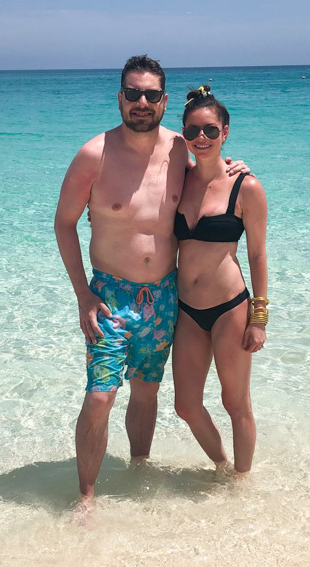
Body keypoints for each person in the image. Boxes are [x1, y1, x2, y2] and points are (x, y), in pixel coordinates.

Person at [54, 56, 245, 501]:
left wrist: (236, 168)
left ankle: (138, 471)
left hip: (162, 296)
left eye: (152, 95)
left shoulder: (182, 149)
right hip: (108, 297)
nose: (142, 102)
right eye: (133, 94)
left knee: (146, 392)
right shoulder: (93, 155)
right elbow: (64, 224)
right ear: (120, 98)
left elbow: (212, 178)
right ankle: (85, 498)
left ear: (163, 101)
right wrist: (82, 294)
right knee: (100, 397)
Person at [172, 86, 268, 476]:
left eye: (211, 131)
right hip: (187, 310)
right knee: (185, 406)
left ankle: (242, 483)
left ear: (225, 132)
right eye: (193, 130)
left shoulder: (246, 186)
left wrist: (259, 318)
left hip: (231, 307)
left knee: (236, 403)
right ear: (183, 133)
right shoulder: (177, 181)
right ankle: (223, 466)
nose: (202, 138)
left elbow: (258, 255)